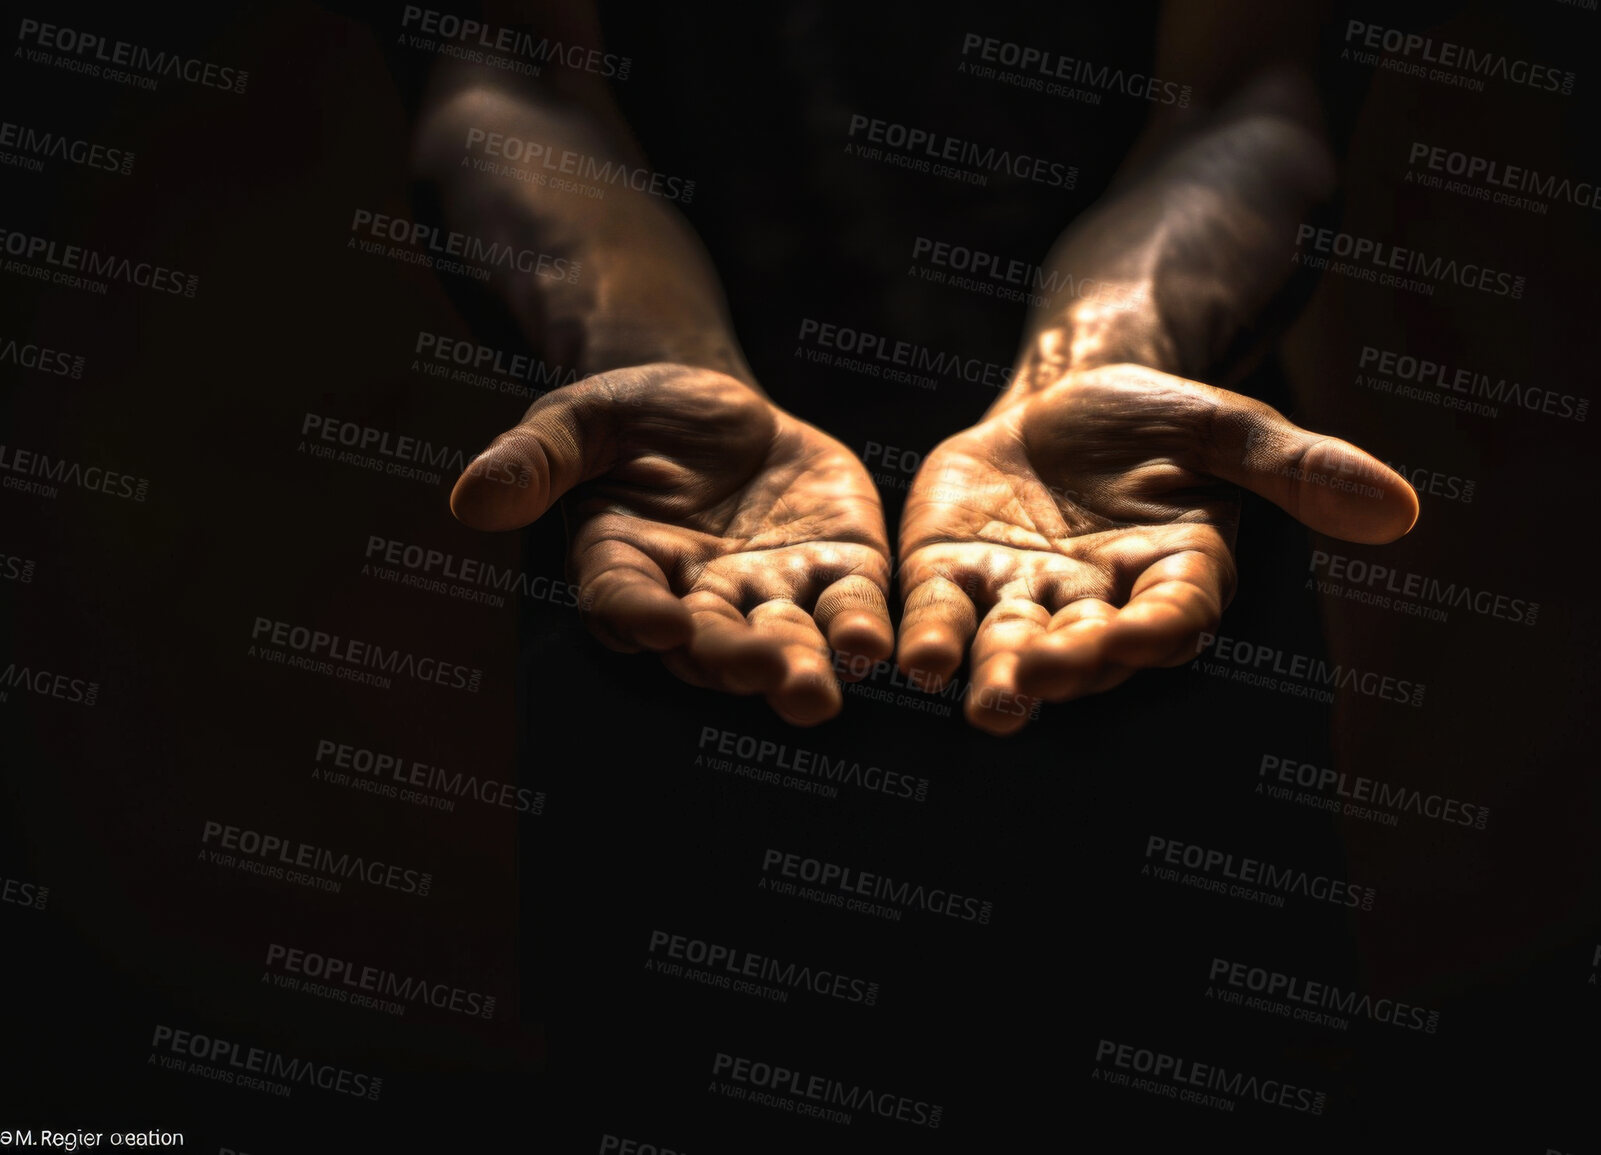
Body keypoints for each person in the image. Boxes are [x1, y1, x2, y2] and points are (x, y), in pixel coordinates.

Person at [412, 0, 1417, 735]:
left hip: (1126, 531)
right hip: (674, 536)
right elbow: (509, 68)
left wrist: (1107, 354)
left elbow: (1237, 94)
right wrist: (643, 359)